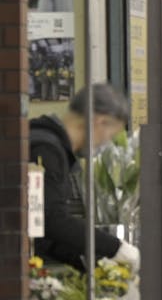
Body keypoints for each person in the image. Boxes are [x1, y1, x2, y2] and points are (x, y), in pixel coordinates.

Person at [30, 83, 140, 270]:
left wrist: (96, 264)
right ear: (100, 121)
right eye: (110, 135)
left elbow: (41, 235)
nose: (106, 143)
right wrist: (115, 248)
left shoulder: (49, 146)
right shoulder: (46, 150)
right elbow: (51, 220)